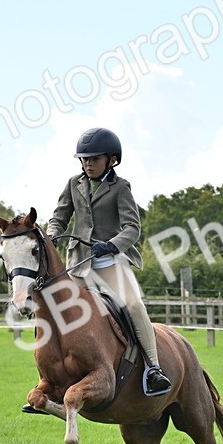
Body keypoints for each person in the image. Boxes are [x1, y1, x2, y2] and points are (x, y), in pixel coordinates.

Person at [44, 127, 172, 396]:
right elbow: (59, 217)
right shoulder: (73, 184)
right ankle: (49, 376)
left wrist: (111, 245)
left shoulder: (121, 187)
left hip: (110, 263)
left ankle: (154, 368)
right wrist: (52, 234)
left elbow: (132, 228)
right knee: (56, 309)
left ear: (111, 160)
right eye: (84, 159)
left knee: (135, 306)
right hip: (79, 263)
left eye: (94, 159)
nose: (88, 164)